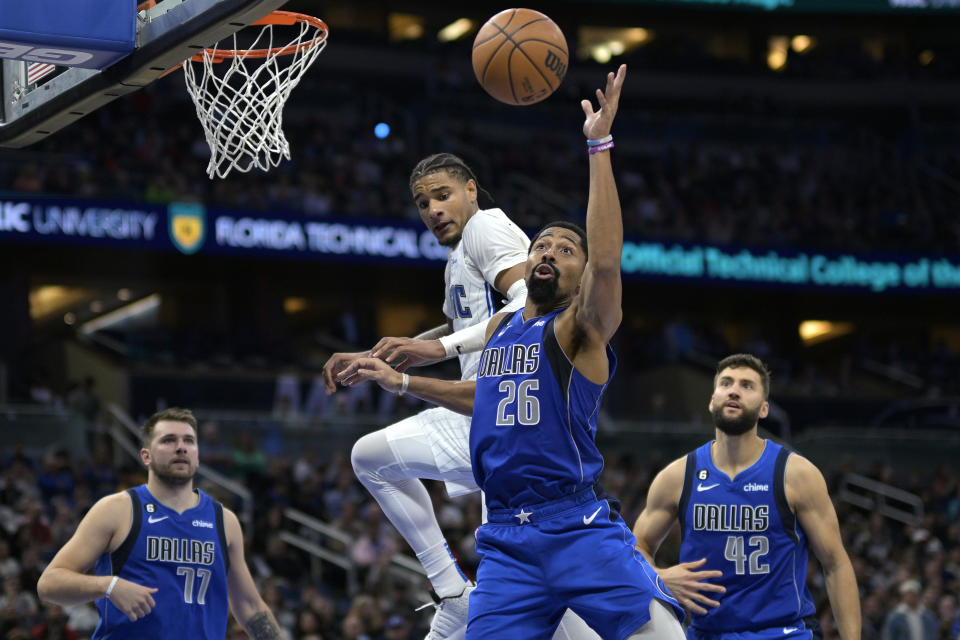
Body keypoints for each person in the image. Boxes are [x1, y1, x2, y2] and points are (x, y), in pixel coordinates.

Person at [338, 64, 686, 639]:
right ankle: (451, 592)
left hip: (576, 525)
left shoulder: (576, 331)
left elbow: (605, 259)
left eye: (563, 249)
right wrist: (400, 380)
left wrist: (599, 146)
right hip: (505, 536)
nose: (547, 250)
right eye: (542, 243)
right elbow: (481, 396)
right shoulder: (501, 335)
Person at [321, 150, 599, 638]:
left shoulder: (485, 228)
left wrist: (438, 349)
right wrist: (395, 352)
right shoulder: (462, 253)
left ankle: (459, 598)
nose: (433, 210)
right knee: (370, 457)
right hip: (481, 416)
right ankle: (452, 594)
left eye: (443, 195)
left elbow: (524, 305)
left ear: (472, 189)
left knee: (546, 609)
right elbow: (471, 321)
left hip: (508, 421)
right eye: (423, 202)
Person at [632, 353, 862, 639]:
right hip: (707, 633)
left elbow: (836, 564)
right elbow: (637, 547)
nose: (734, 390)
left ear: (764, 409)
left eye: (747, 385)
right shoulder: (677, 476)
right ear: (712, 400)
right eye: (726, 383)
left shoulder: (796, 474)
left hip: (783, 632)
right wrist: (660, 576)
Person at [36, 407, 283, 639]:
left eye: (189, 441)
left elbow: (250, 606)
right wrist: (109, 585)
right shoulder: (117, 509)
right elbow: (49, 583)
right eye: (168, 440)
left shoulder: (225, 521)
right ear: (146, 455)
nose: (181, 448)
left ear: (197, 455)